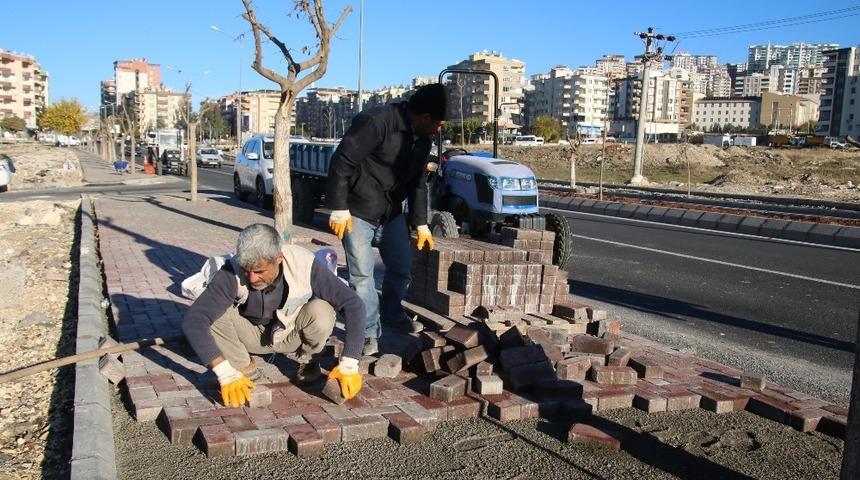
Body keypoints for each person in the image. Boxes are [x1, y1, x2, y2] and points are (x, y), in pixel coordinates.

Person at [181, 223, 365, 407]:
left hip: (292, 333)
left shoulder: (303, 263)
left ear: (278, 258)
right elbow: (194, 321)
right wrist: (224, 372)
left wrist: (349, 363)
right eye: (247, 270)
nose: (252, 278)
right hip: (252, 336)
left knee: (322, 311)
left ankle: (308, 362)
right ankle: (242, 367)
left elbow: (353, 305)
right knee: (216, 314)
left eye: (260, 271)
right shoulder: (231, 271)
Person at [325, 83, 448, 356]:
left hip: (391, 214)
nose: (440, 129)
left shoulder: (422, 138)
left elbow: (417, 183)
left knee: (402, 268)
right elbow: (342, 161)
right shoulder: (376, 122)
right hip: (357, 212)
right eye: (439, 123)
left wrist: (421, 223)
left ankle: (392, 314)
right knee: (362, 276)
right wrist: (338, 206)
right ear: (425, 117)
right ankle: (367, 333)